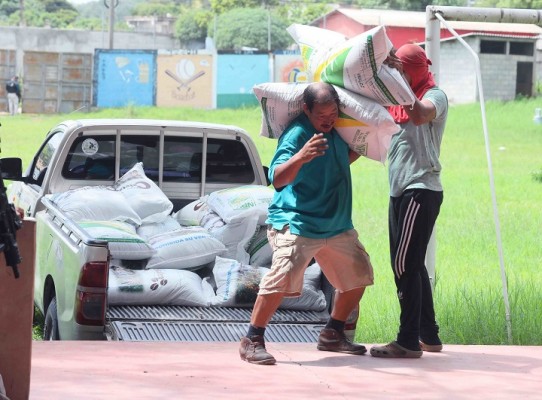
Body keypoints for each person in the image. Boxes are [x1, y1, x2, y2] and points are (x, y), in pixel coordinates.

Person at [239, 82, 374, 365]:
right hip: (296, 221)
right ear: (306, 109)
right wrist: (301, 156)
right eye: (321, 116)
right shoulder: (297, 134)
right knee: (282, 275)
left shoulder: (339, 129)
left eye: (332, 114)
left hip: (335, 224)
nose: (327, 120)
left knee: (359, 275)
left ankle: (333, 333)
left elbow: (339, 159)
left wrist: (361, 147)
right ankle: (252, 339)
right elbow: (277, 179)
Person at [370, 43, 448, 358]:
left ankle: (407, 340)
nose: (398, 76)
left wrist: (399, 83)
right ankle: (429, 335)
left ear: (415, 70)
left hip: (422, 188)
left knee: (404, 264)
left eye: (402, 70)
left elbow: (420, 116)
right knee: (410, 264)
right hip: (399, 191)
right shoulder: (396, 100)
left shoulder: (434, 95)